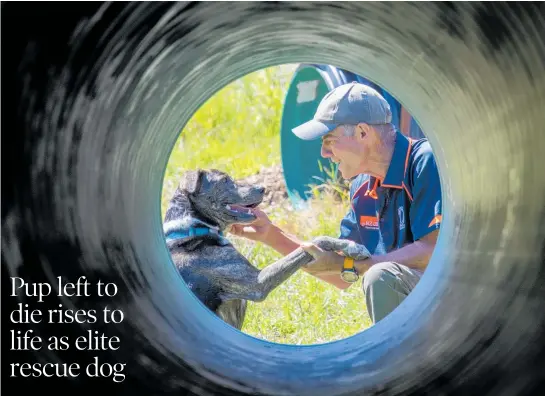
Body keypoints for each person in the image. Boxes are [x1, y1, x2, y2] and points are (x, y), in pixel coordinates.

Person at [230, 82, 442, 324]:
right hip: (421, 307)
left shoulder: (425, 161)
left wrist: (354, 265)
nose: (323, 153)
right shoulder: (363, 187)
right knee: (378, 274)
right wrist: (270, 234)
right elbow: (340, 274)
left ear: (363, 132)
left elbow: (433, 251)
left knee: (379, 275)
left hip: (460, 305)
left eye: (329, 140)